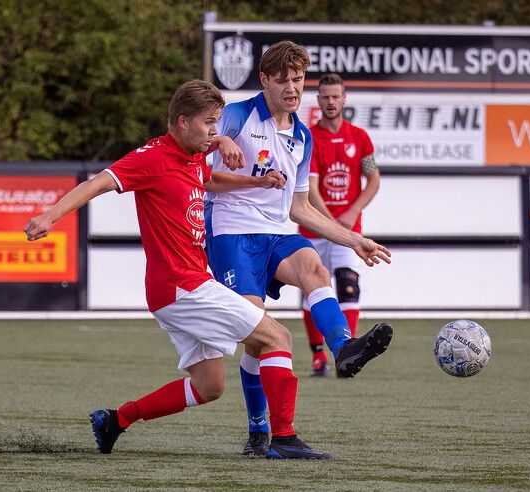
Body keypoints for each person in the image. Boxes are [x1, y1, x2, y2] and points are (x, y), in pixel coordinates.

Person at [22, 79, 331, 460]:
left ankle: (114, 420)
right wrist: (51, 215)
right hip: (184, 287)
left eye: (218, 122)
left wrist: (256, 180)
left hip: (176, 290)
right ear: (182, 121)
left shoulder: (192, 154)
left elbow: (210, 179)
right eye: (209, 123)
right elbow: (99, 183)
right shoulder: (151, 157)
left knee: (208, 386)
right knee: (277, 337)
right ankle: (283, 439)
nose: (215, 131)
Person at [205, 41, 394, 457]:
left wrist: (354, 239)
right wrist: (219, 144)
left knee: (315, 270)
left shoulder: (302, 136)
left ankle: (343, 347)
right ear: (265, 80)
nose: (293, 87)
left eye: (299, 79)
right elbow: (199, 164)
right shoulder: (237, 115)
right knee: (258, 335)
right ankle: (259, 431)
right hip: (231, 235)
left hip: (276, 231)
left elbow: (299, 208)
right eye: (284, 80)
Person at [298, 73, 381, 377]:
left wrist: (353, 212)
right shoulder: (308, 137)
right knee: (312, 288)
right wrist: (330, 224)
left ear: (345, 98)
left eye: (336, 96)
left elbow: (373, 180)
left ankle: (349, 353)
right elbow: (312, 187)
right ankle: (318, 355)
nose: (330, 102)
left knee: (348, 284)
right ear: (318, 100)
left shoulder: (359, 138)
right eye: (325, 97)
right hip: (313, 228)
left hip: (349, 229)